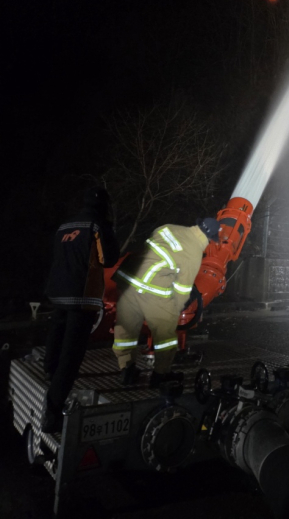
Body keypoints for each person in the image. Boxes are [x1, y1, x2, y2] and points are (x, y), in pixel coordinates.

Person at [42, 186, 120, 433]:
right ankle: (52, 413)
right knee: (71, 356)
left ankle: (49, 374)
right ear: (103, 205)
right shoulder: (97, 226)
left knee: (56, 341)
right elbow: (108, 258)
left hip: (58, 292)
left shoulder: (65, 226)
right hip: (80, 295)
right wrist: (109, 230)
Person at [112, 217, 219, 387]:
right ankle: (161, 375)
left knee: (126, 328)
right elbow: (183, 289)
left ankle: (126, 370)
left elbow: (150, 247)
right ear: (209, 238)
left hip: (127, 279)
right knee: (166, 335)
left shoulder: (169, 227)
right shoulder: (194, 252)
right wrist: (174, 312)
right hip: (151, 287)